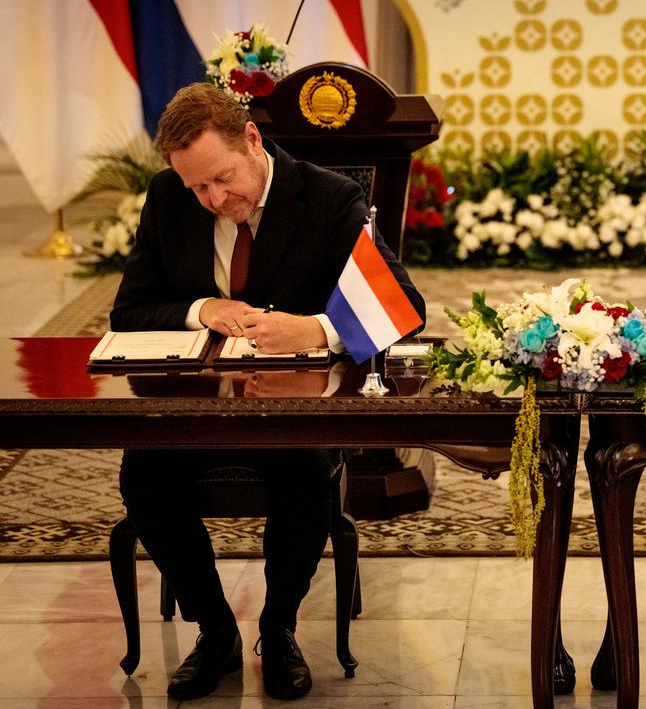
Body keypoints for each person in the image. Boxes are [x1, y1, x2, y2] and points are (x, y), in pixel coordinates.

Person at [111, 83, 425, 700]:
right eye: (198, 187)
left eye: (223, 179)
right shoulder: (168, 197)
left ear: (252, 139)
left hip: (291, 410)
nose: (213, 199)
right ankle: (217, 629)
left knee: (305, 474)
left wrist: (314, 327)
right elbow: (129, 311)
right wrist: (203, 307)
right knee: (143, 476)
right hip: (196, 408)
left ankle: (278, 629)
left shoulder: (330, 197)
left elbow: (403, 306)